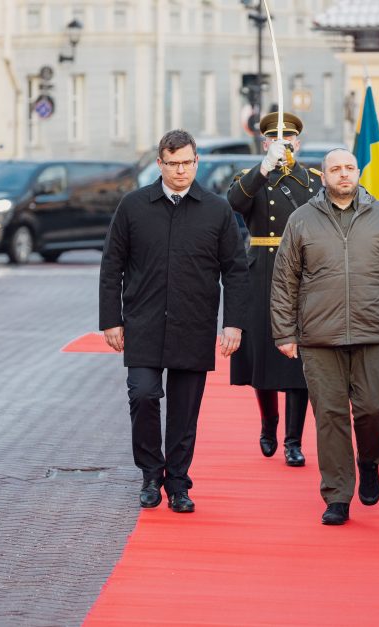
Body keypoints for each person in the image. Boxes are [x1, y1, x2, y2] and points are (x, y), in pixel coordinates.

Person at [270, 149, 379, 525]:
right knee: (330, 415)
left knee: (374, 408)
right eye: (335, 169)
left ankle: (369, 458)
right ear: (322, 176)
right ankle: (337, 495)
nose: (343, 174)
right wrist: (285, 332)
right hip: (319, 336)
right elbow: (285, 280)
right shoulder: (301, 220)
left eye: (349, 168)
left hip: (375, 332)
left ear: (358, 173)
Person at [99, 129, 250, 514]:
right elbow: (112, 264)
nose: (181, 170)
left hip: (193, 324)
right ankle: (151, 474)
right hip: (143, 322)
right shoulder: (133, 206)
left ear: (196, 161)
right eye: (173, 163)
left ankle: (178, 484)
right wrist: (111, 320)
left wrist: (233, 323)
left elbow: (235, 269)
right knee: (144, 395)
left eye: (187, 162)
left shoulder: (216, 210)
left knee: (185, 411)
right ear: (160, 164)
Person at [227, 112, 320, 467]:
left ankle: (293, 441)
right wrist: (265, 167)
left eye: (290, 139)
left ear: (298, 142)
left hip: (300, 270)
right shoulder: (252, 178)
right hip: (261, 270)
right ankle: (269, 424)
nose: (284, 145)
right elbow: (235, 203)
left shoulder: (312, 181)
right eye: (275, 140)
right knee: (262, 354)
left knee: (299, 357)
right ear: (265, 143)